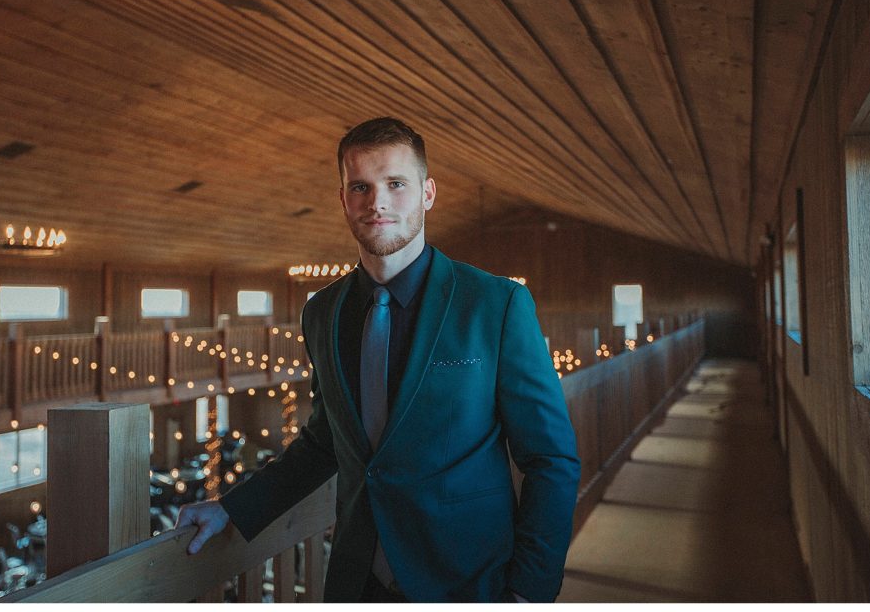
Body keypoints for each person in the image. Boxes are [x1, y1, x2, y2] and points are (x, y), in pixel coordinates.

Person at [176, 117, 580, 602]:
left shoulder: (496, 305)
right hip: (356, 582)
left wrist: (529, 595)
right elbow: (326, 438)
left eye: (395, 184)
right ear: (343, 199)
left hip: (469, 581)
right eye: (361, 187)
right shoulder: (322, 311)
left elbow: (550, 459)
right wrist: (234, 508)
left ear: (427, 193)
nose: (378, 202)